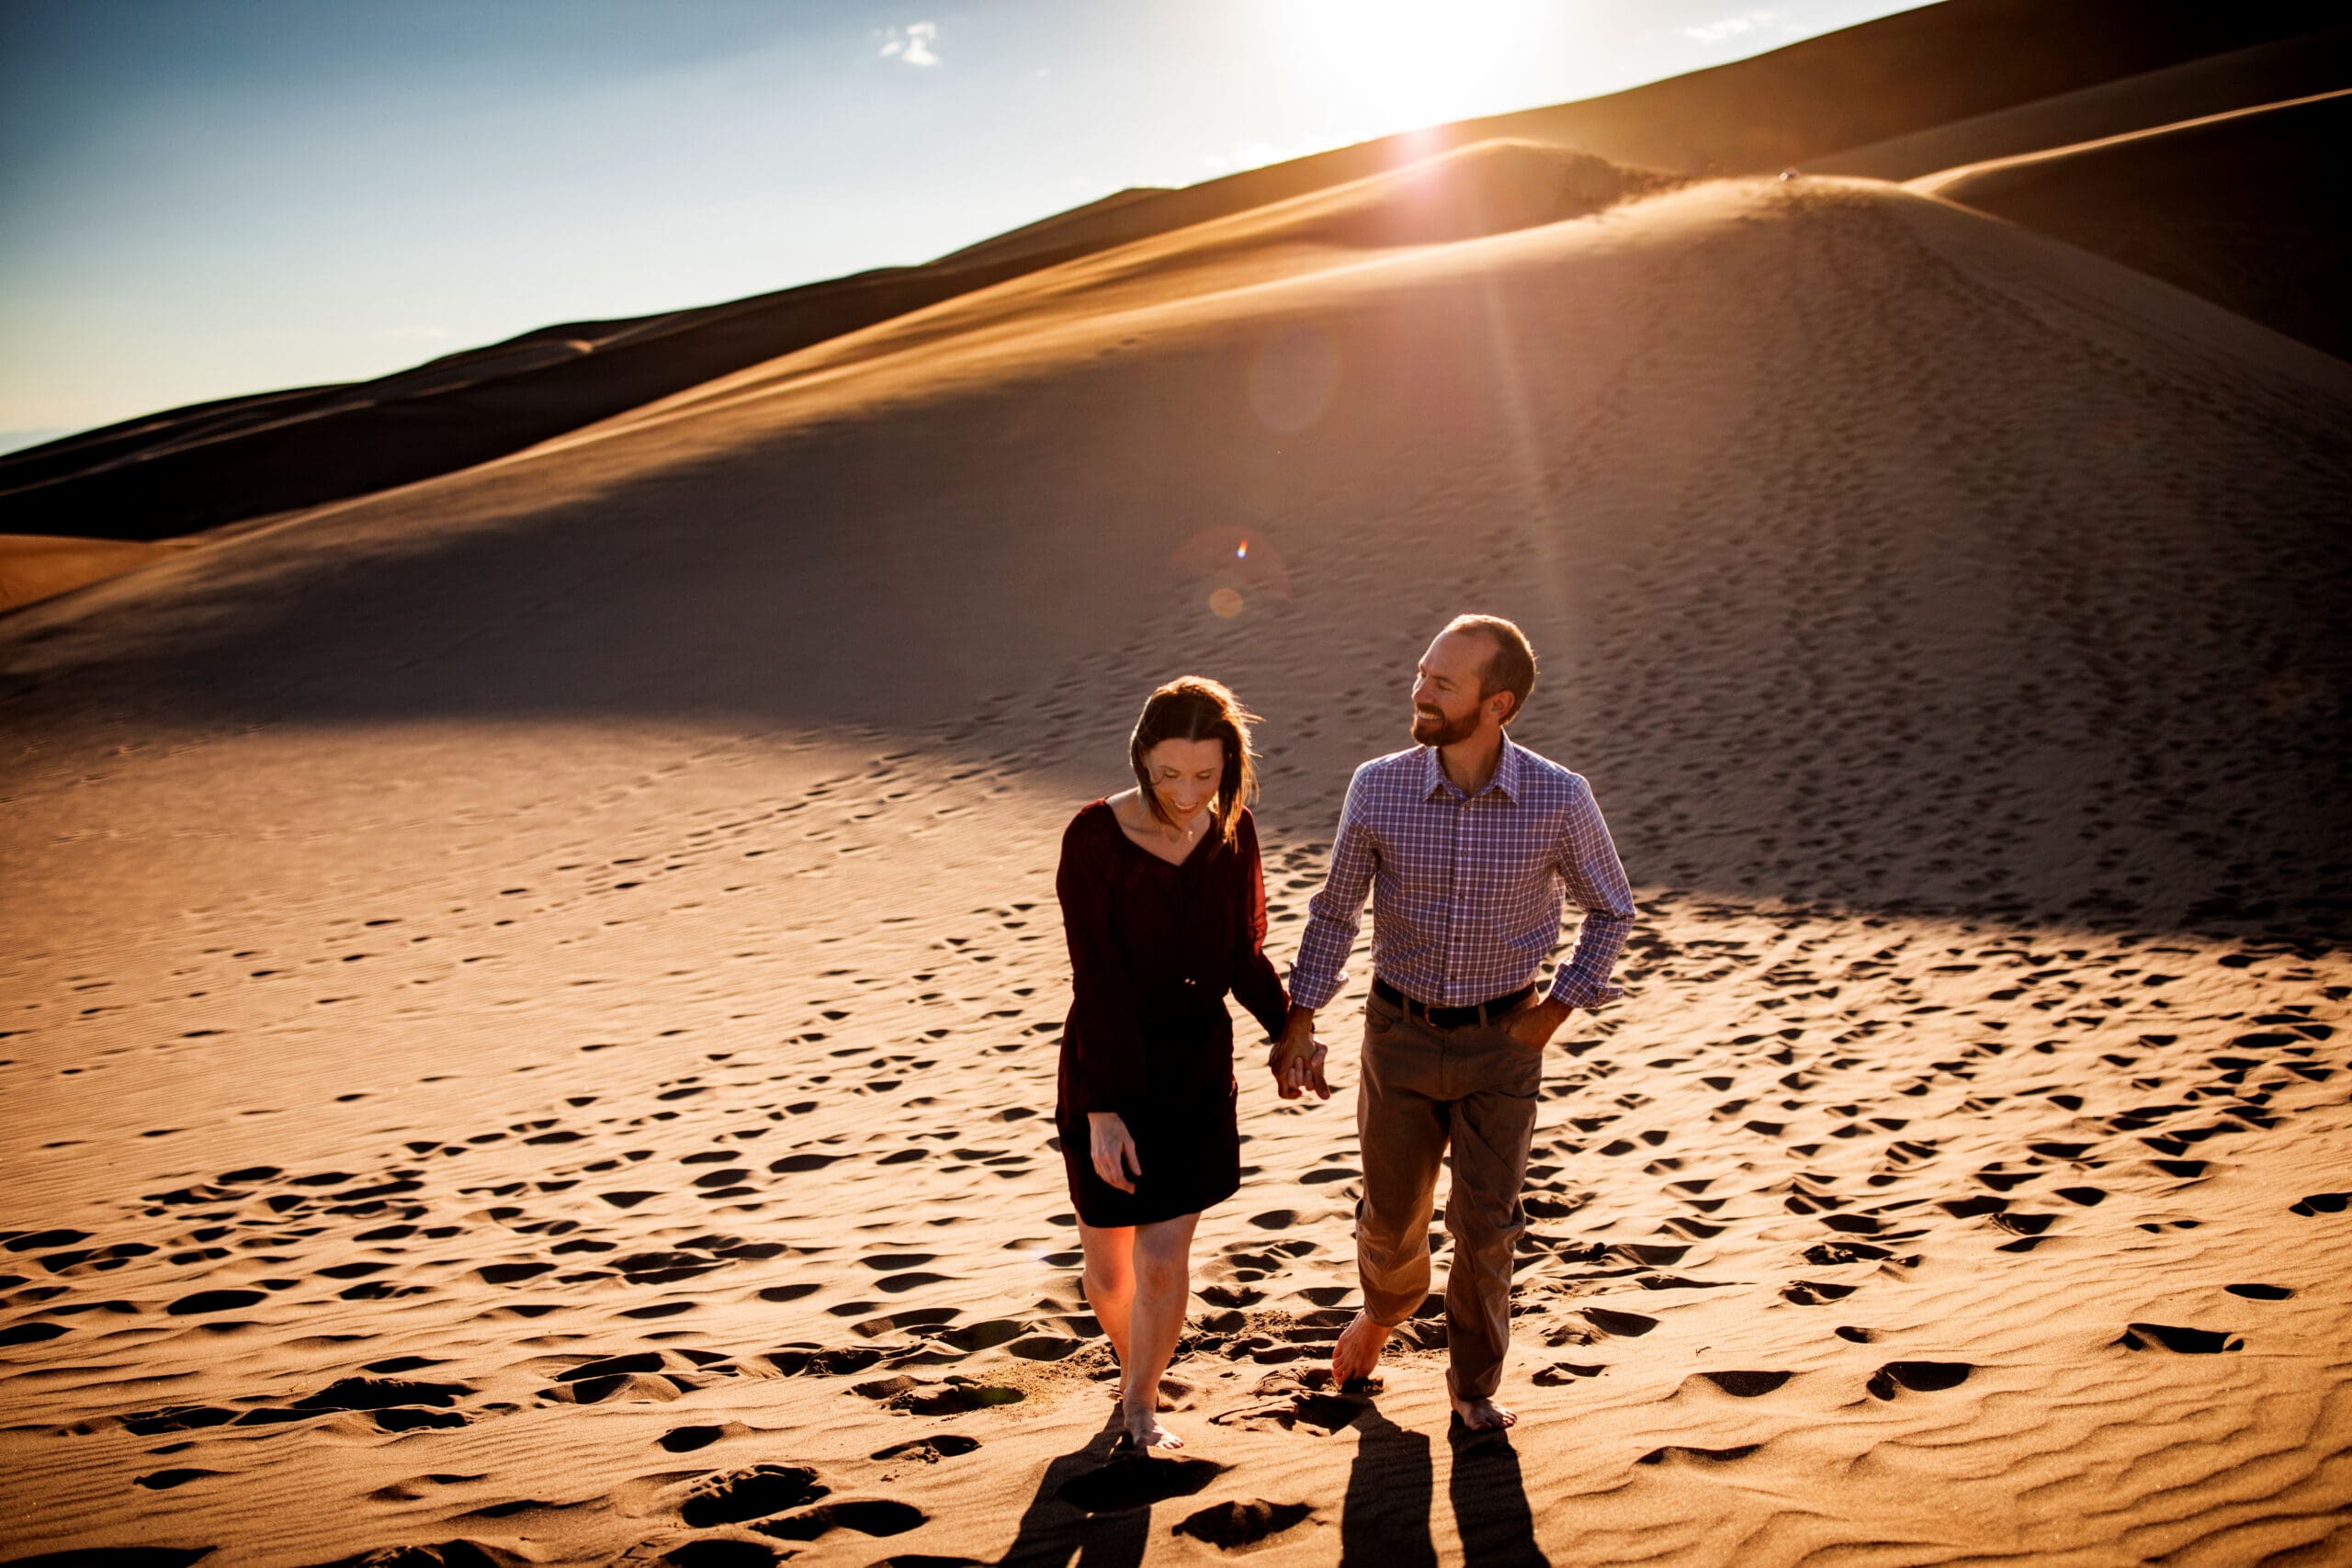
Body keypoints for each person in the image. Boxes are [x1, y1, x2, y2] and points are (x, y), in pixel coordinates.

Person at [1271, 615, 1634, 1432]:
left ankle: (1473, 1386)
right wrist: (1300, 1019)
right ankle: (1386, 1309)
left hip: (1502, 1042)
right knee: (1390, 1217)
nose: (1420, 691)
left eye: (1443, 682)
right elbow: (1335, 913)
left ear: (1497, 703)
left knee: (1487, 1225)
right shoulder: (1380, 785)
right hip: (1396, 1034)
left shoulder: (1559, 796)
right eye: (1422, 672)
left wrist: (1555, 1012)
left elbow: (1611, 909)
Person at [1056, 676, 1291, 1453]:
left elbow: (1240, 956)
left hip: (1195, 1068)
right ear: (1140, 761)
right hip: (1107, 1065)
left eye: (1206, 775)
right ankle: (1139, 1369)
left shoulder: (1234, 831)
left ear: (1230, 765)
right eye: (1167, 775)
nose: (1187, 794)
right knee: (1110, 1275)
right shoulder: (1092, 839)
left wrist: (1290, 1028)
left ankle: (1141, 1406)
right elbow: (1096, 976)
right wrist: (1103, 1107)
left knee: (1161, 1263)